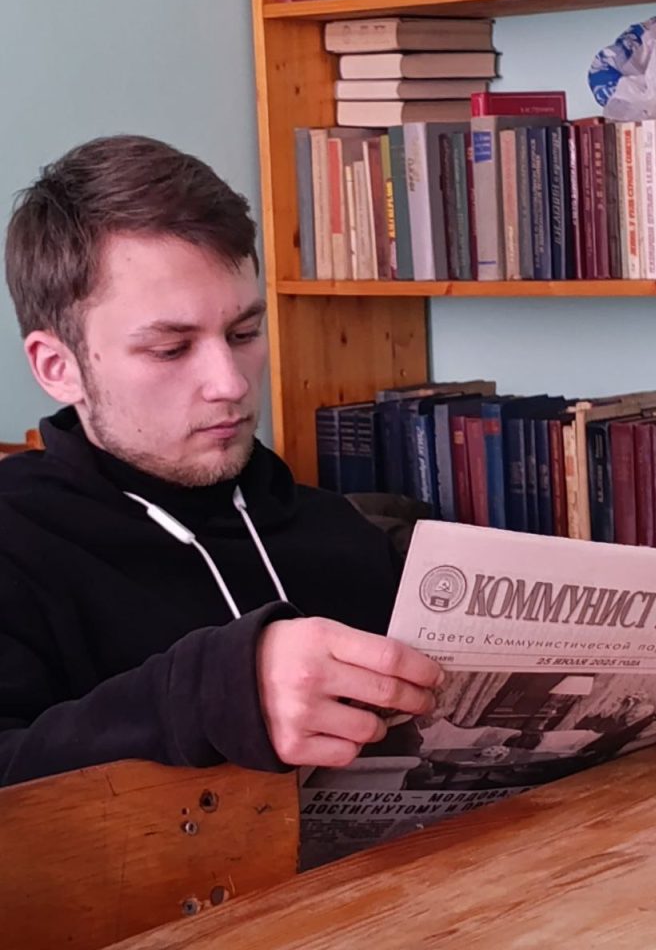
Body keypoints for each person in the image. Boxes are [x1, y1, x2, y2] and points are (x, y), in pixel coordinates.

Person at [0, 134, 442, 787]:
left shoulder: (342, 534)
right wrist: (213, 694)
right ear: (57, 367)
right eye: (171, 349)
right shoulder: (15, 545)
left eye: (244, 333)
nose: (230, 383)